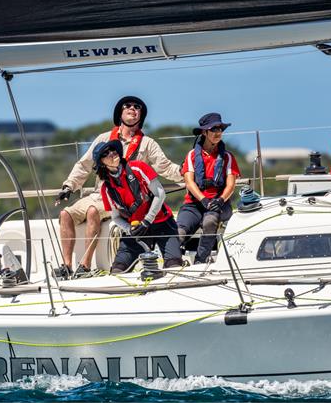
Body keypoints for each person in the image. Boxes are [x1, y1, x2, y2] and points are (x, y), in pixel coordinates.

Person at [54, 96, 182, 278]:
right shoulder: (103, 138)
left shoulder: (147, 143)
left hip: (123, 201)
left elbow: (165, 167)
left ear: (141, 115)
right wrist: (68, 187)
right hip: (102, 192)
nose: (132, 109)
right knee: (65, 214)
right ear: (119, 113)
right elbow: (84, 165)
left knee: (92, 211)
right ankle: (67, 266)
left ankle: (85, 266)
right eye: (127, 106)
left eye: (137, 107)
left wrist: (184, 172)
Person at [96, 140, 182, 272]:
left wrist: (147, 221)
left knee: (174, 266)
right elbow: (115, 217)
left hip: (162, 222)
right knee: (118, 270)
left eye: (112, 149)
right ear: (102, 164)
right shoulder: (106, 188)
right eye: (106, 153)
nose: (112, 153)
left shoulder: (138, 167)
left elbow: (160, 194)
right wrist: (129, 229)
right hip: (136, 230)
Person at [176, 113, 240, 264]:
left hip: (219, 204)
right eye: (214, 129)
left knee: (210, 222)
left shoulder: (228, 157)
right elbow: (189, 182)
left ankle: (201, 260)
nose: (218, 132)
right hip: (194, 204)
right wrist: (203, 199)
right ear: (204, 132)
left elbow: (231, 185)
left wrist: (220, 200)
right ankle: (173, 260)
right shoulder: (192, 155)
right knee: (179, 232)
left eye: (221, 129)